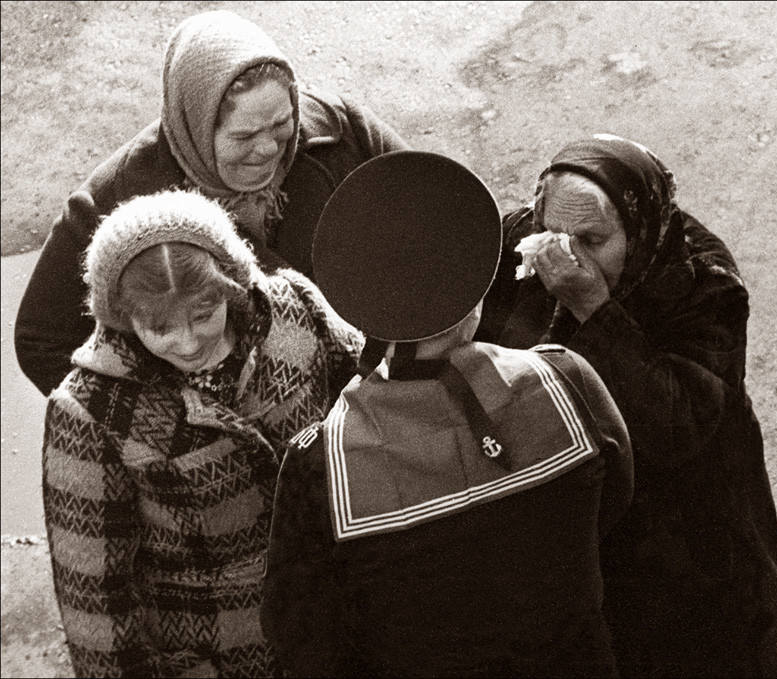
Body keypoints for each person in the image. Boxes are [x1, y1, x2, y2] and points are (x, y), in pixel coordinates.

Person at [261, 151, 634, 677]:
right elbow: (613, 504)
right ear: (478, 295)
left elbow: (301, 635)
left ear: (359, 306)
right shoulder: (570, 382)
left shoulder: (321, 464)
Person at [475, 134, 777, 677]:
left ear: (638, 229)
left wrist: (592, 309)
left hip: (691, 547)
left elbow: (678, 427)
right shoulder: (517, 245)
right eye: (552, 232)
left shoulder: (701, 283)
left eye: (594, 240)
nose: (565, 255)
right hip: (581, 536)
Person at [41, 189, 363, 677]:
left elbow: (378, 402)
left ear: (230, 284)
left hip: (346, 622)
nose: (188, 342)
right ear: (123, 318)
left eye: (204, 314)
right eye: (160, 327)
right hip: (220, 661)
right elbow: (96, 601)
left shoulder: (295, 308)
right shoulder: (88, 411)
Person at [15, 8, 407, 397]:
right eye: (244, 136)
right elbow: (41, 341)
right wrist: (170, 421)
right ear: (196, 126)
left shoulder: (345, 133)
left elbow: (446, 221)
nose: (269, 148)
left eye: (281, 124)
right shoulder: (116, 202)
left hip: (377, 390)